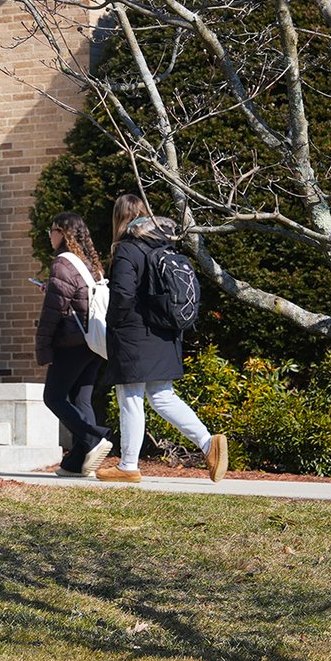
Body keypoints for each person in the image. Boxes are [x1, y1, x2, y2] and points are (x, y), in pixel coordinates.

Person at [96, 194, 228, 483]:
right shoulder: (163, 245)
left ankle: (128, 466)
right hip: (164, 332)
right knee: (161, 396)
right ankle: (209, 444)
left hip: (133, 334)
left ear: (119, 218)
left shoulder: (127, 250)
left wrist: (113, 326)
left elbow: (122, 295)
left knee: (130, 396)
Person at [35, 211, 114, 477]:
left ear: (62, 233)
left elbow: (53, 313)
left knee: (53, 397)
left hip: (70, 343)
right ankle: (78, 464)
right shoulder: (90, 264)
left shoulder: (62, 263)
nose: (50, 235)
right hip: (93, 342)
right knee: (81, 400)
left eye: (52, 229)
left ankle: (94, 438)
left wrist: (43, 347)